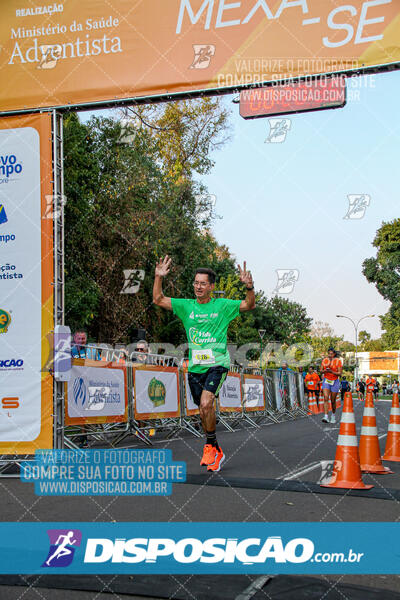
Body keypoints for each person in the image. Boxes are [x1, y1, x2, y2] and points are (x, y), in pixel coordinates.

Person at [153, 255, 255, 472]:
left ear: (211, 286)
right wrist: (158, 277)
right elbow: (158, 299)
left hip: (218, 364)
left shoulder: (223, 305)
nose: (198, 287)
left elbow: (249, 304)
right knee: (202, 410)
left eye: (203, 284)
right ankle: (216, 448)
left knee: (207, 403)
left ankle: (209, 446)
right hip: (196, 367)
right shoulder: (185, 306)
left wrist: (249, 286)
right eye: (196, 283)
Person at [320, 348, 342, 423]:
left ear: (334, 354)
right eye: (329, 353)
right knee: (326, 397)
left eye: (331, 354)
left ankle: (333, 415)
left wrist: (331, 371)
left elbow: (340, 373)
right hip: (326, 380)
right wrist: (325, 371)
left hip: (335, 381)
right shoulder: (324, 360)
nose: (330, 355)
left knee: (333, 401)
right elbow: (321, 371)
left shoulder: (338, 361)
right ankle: (326, 416)